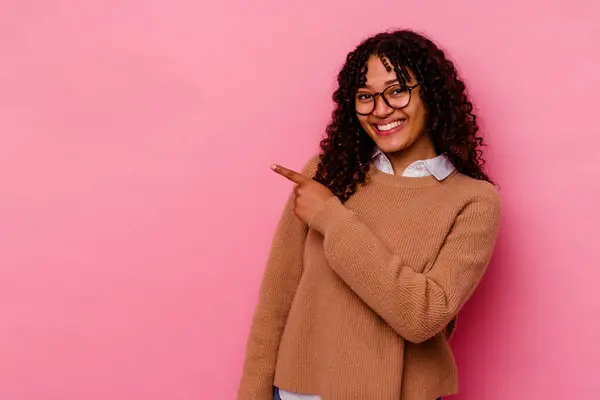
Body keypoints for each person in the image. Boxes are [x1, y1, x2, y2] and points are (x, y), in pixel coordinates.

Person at [237, 29, 501, 400]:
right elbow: (275, 302)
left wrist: (331, 218)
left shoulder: (473, 201)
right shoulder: (325, 176)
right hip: (300, 394)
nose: (380, 110)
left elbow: (421, 315)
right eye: (365, 96)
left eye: (396, 91)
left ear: (432, 95)